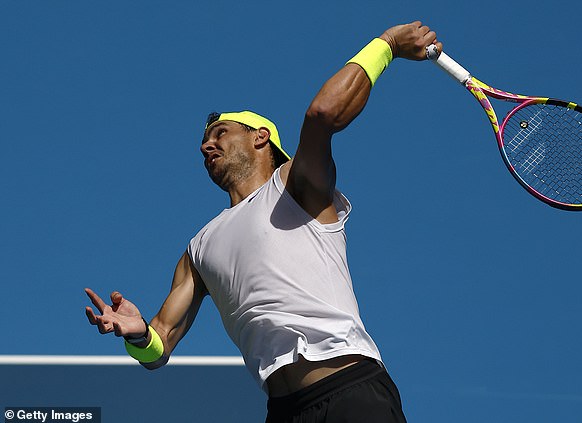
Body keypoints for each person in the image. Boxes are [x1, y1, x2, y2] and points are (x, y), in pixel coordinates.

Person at [85, 20, 441, 423]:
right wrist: (136, 334)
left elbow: (323, 113)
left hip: (350, 391)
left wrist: (388, 44)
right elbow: (159, 346)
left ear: (260, 138)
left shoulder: (295, 185)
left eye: (220, 133)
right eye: (204, 141)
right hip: (283, 411)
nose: (206, 144)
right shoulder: (198, 248)